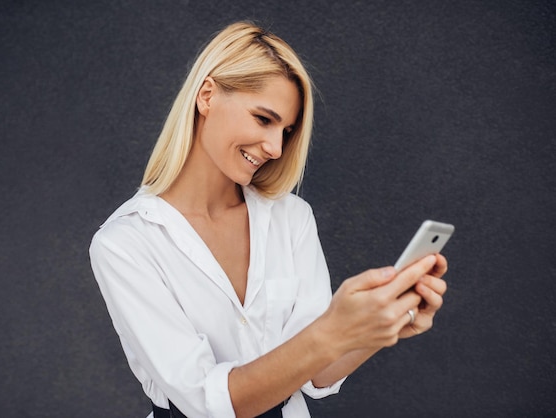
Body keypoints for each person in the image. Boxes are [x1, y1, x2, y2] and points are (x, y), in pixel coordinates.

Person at [89, 21, 448, 418]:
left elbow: (314, 374)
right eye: (264, 119)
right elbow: (208, 404)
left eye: (287, 130)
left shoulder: (291, 218)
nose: (276, 148)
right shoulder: (126, 244)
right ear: (207, 96)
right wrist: (333, 330)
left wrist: (376, 329)